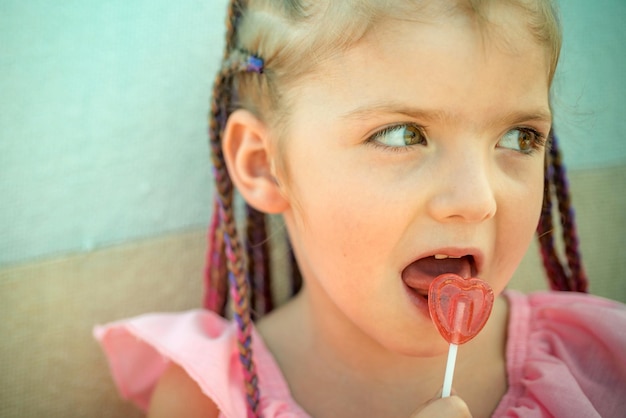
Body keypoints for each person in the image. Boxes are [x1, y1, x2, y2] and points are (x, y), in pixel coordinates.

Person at [94, 0, 626, 417]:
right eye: (402, 134)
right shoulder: (206, 400)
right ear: (263, 164)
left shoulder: (602, 364)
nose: (477, 200)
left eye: (519, 136)